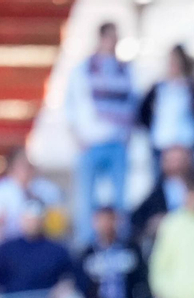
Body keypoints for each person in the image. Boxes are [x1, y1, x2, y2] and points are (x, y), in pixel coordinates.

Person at [66, 22, 136, 246]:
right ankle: (87, 243)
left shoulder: (125, 69)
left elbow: (131, 104)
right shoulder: (84, 69)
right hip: (91, 141)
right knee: (86, 199)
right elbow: (71, 105)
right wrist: (77, 137)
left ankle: (119, 240)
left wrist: (127, 136)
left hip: (116, 142)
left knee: (119, 199)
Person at [0, 150, 64, 251]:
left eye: (30, 165)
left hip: (43, 249)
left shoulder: (49, 190)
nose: (27, 169)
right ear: (11, 167)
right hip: (9, 250)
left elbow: (61, 228)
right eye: (22, 165)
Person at [137, 45, 194, 158]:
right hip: (161, 144)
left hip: (186, 145)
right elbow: (142, 112)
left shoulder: (193, 88)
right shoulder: (158, 88)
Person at [130, 144, 194, 247]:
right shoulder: (154, 195)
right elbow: (137, 221)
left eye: (179, 160)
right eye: (172, 160)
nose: (176, 165)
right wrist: (151, 225)